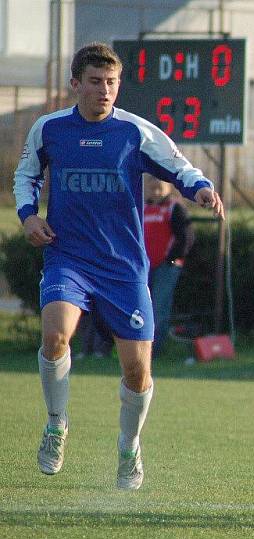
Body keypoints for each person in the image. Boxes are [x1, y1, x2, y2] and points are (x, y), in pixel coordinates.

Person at [13, 43, 224, 490]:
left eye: (111, 82)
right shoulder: (50, 129)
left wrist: (201, 188)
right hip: (68, 256)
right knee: (54, 336)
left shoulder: (133, 131)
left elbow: (177, 164)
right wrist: (29, 215)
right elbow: (26, 174)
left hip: (124, 268)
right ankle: (56, 426)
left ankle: (129, 449)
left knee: (136, 372)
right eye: (95, 82)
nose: (104, 90)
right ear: (75, 84)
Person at [143, 174, 195, 357]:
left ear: (169, 186)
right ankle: (137, 347)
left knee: (159, 307)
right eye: (152, 181)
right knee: (142, 306)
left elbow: (186, 237)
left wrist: (172, 258)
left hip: (166, 266)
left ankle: (154, 350)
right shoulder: (142, 208)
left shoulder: (174, 207)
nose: (155, 184)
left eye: (160, 181)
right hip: (143, 267)